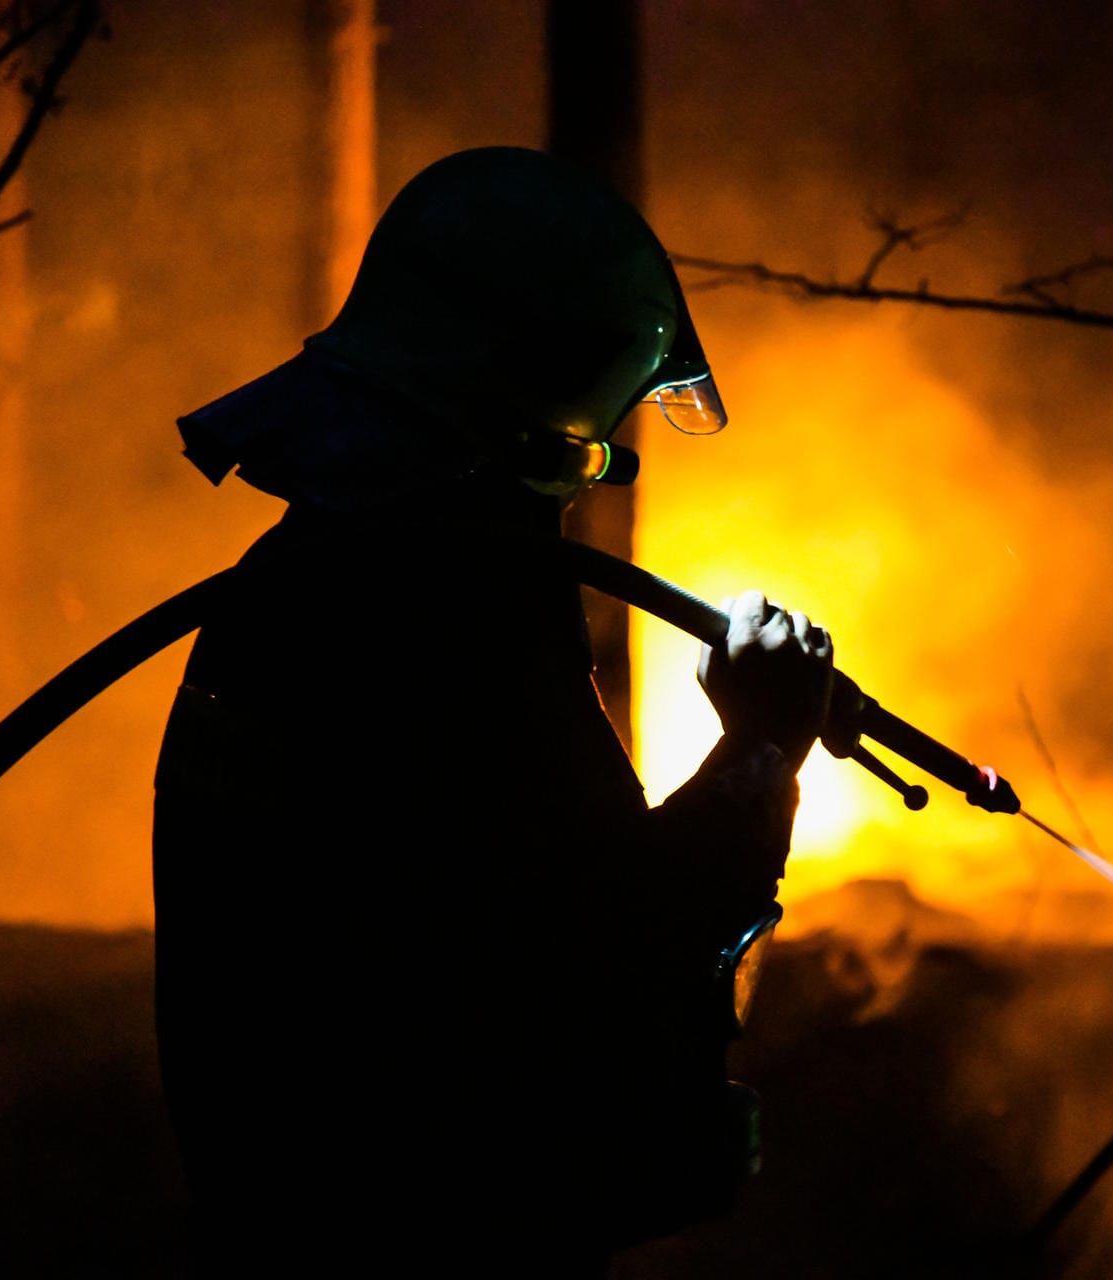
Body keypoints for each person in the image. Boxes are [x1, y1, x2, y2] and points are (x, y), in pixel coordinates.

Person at [151, 147, 833, 1269]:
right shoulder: (439, 616)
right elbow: (605, 954)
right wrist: (759, 747)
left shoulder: (300, 586)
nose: (576, 492)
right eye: (580, 455)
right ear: (538, 424)